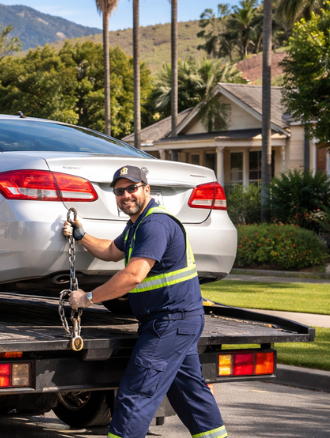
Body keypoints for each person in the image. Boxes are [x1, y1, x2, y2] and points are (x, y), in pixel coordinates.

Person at [61, 165, 227, 438]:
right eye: (119, 191)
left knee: (136, 394)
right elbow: (111, 251)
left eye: (132, 188)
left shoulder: (155, 224)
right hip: (178, 320)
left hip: (169, 322)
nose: (126, 195)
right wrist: (82, 235)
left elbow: (133, 275)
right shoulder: (137, 225)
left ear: (146, 190)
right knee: (189, 393)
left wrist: (87, 298)